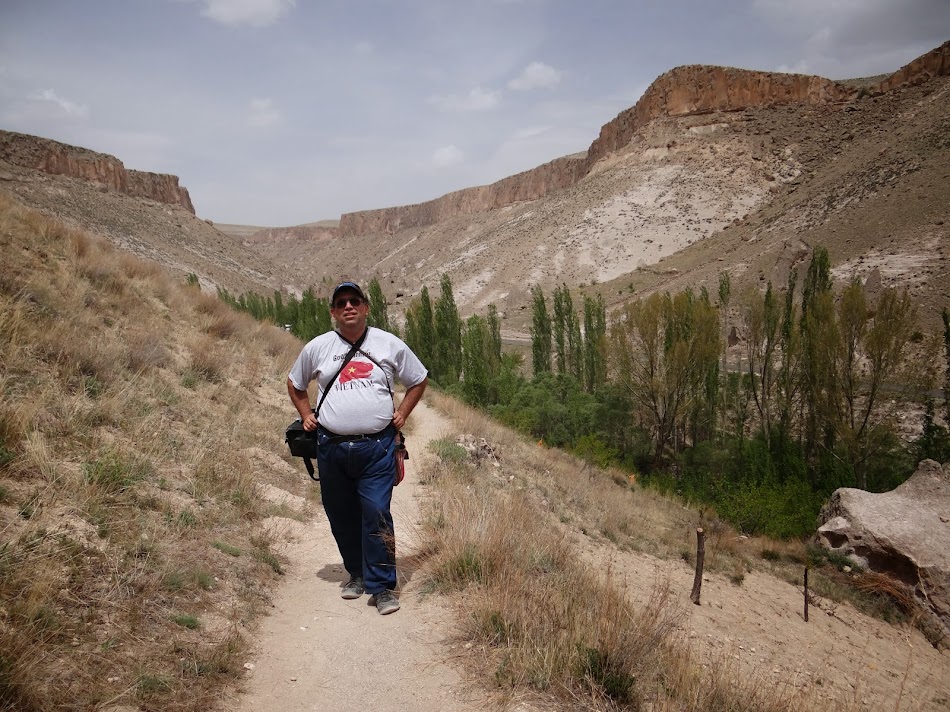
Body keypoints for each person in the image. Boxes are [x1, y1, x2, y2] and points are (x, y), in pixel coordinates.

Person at [287, 281, 428, 615]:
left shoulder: (388, 343)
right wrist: (306, 415)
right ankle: (357, 572)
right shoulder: (318, 347)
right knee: (341, 514)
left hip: (377, 448)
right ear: (333, 312)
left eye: (354, 301)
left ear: (365, 308)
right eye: (341, 303)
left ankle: (382, 587)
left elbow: (418, 379)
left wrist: (403, 412)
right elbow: (295, 383)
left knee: (376, 512)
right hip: (331, 448)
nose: (348, 307)